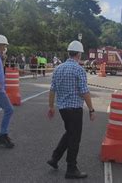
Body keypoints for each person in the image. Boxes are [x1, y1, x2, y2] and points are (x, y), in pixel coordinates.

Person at [47, 40, 96, 179]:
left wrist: (51, 107)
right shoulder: (79, 70)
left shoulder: (58, 68)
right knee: (74, 138)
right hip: (74, 109)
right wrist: (91, 109)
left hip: (62, 108)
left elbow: (52, 90)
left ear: (69, 52)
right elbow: (84, 92)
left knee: (69, 133)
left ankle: (55, 158)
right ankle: (71, 168)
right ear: (79, 54)